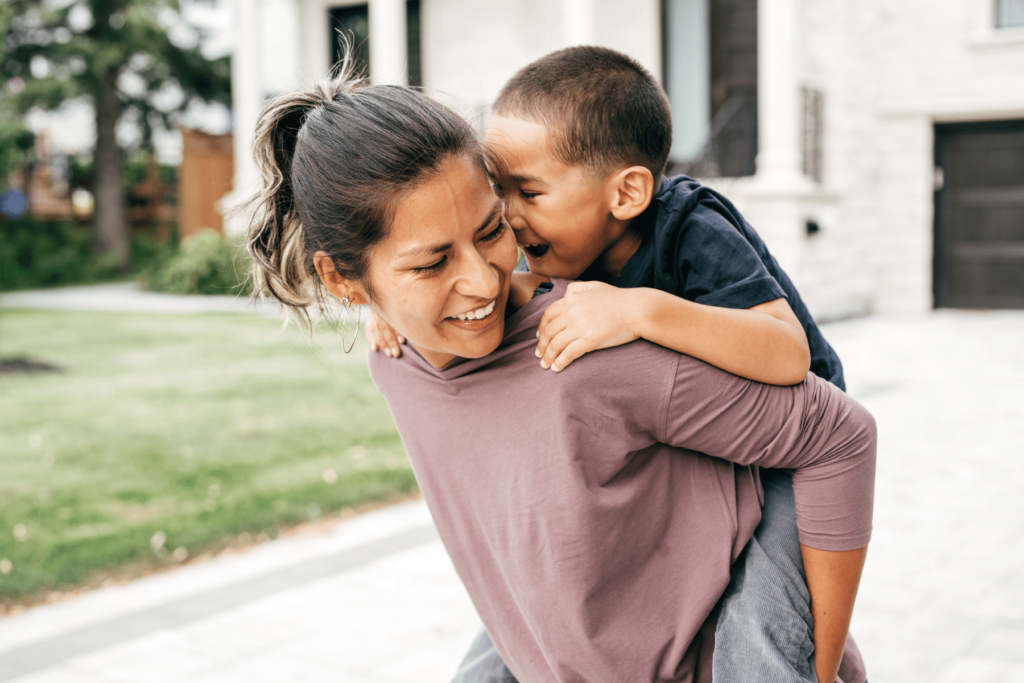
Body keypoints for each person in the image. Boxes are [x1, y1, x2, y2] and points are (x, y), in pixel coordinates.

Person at [245, 68, 874, 683]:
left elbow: (823, 410)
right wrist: (386, 317)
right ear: (342, 280)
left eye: (492, 229)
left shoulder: (613, 319)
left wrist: (816, 658)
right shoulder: (395, 361)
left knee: (764, 637)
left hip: (780, 456)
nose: (484, 275)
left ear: (625, 193)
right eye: (433, 262)